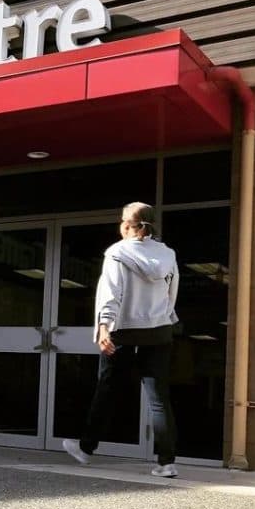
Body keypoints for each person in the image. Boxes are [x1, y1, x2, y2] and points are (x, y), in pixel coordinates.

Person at [63, 202, 181, 477]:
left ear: (128, 225)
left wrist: (104, 326)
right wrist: (161, 318)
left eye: (122, 220)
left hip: (124, 331)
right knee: (158, 398)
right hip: (160, 331)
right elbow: (171, 293)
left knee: (108, 388)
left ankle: (85, 449)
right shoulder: (168, 254)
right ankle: (167, 462)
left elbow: (110, 292)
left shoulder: (117, 252)